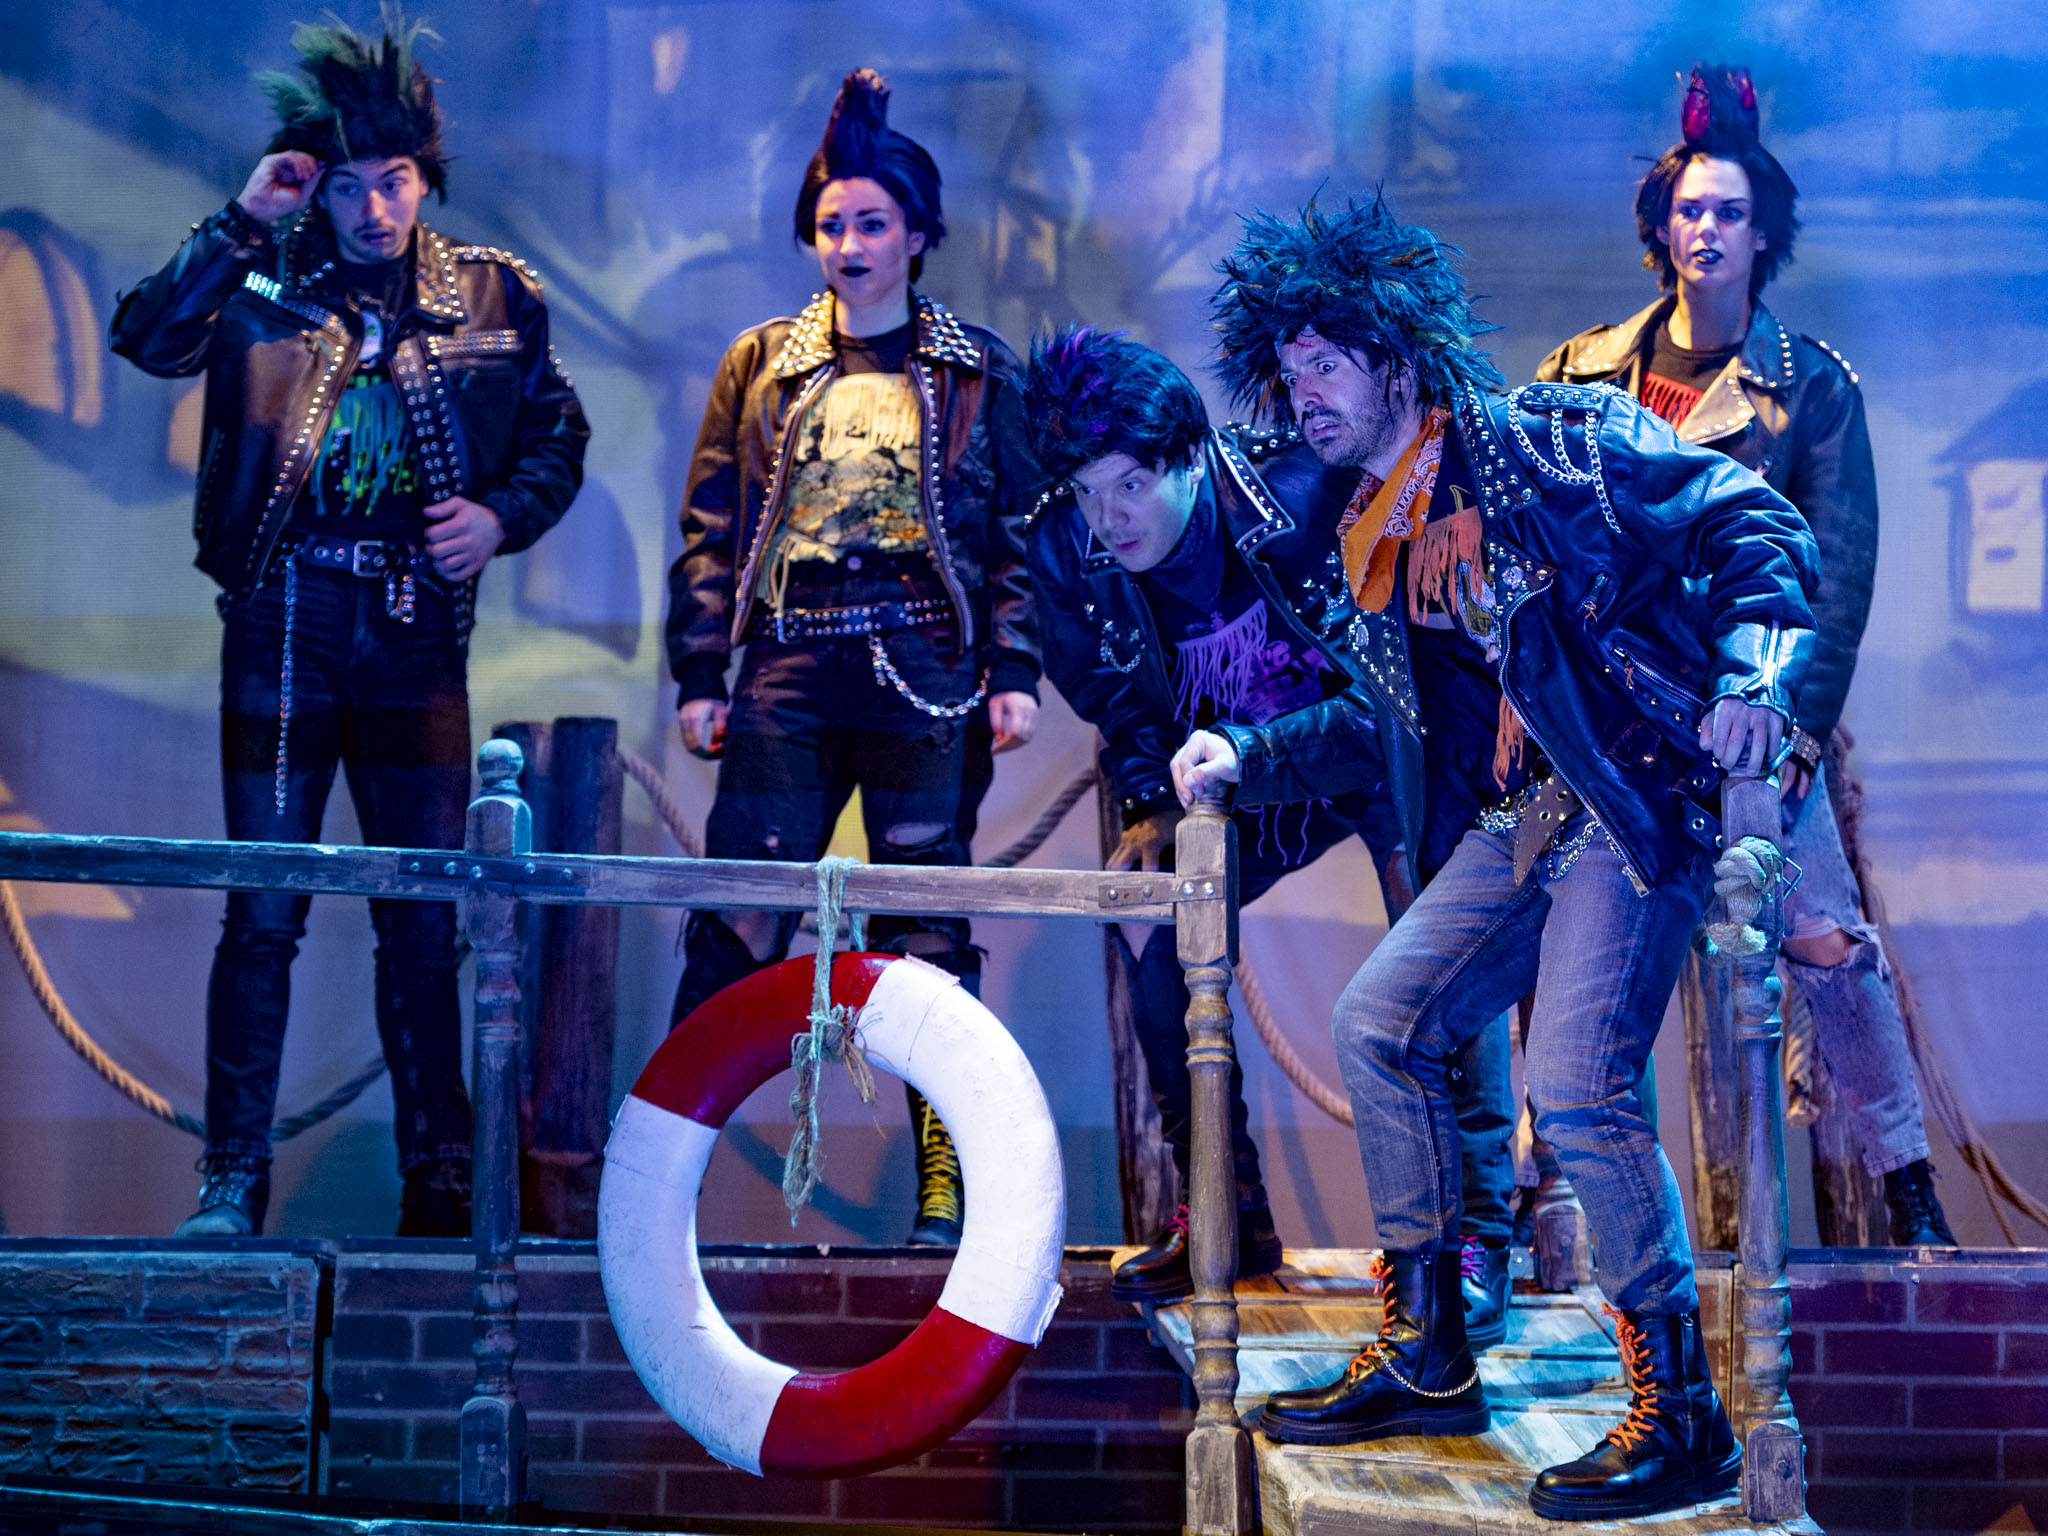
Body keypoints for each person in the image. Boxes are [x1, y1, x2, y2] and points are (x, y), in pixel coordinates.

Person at [1172, 197, 1819, 1520]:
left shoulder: (1549, 442)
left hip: (1633, 794)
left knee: (1574, 1085)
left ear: (1396, 361)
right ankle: (1427, 1352)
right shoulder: (1371, 532)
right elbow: (1379, 726)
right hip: (1526, 818)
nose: (1305, 396)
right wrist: (1246, 749)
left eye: (1326, 366)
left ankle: (1682, 1413)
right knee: (1382, 1024)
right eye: (1290, 373)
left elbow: (1753, 527)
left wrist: (1754, 677)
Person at [109, 13, 588, 1237]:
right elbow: (149, 338)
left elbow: (558, 434)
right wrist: (245, 216)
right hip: (287, 612)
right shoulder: (264, 276)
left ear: (425, 177)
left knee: (421, 912)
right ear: (312, 183)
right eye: (349, 185)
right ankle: (232, 1180)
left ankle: (440, 1177)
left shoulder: (492, 290)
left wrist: (499, 518)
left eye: (395, 181)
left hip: (415, 623)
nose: (374, 210)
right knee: (264, 905)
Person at [1020, 327, 1515, 1341]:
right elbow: (1118, 700)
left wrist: (1248, 749)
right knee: (1154, 931)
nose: (1106, 519)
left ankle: (1475, 1238)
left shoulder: (1308, 491)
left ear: (1189, 458)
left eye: (1128, 486)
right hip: (1234, 777)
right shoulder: (1063, 548)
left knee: (1439, 951)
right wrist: (1149, 800)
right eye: (1085, 492)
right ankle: (1225, 1212)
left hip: (1378, 748)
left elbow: (1391, 696)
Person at [1537, 63, 1954, 1246]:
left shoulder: (1810, 390)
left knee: (1822, 944)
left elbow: (1838, 578)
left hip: (1748, 717)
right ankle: (1543, 1202)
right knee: (1563, 940)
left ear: (1761, 229)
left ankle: (1904, 1181)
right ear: (1658, 226)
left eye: (1727, 210)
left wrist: (1796, 733)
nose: (1705, 230)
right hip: (1610, 723)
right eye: (1688, 209)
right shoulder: (1583, 373)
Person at [662, 70, 1041, 1245]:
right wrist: (698, 673)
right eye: (830, 224)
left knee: (922, 928)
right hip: (788, 662)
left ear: (917, 235)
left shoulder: (976, 368)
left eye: (872, 222)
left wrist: (1016, 668)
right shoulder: (760, 363)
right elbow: (711, 526)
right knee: (740, 916)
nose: (850, 245)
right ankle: (658, 1171)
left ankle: (944, 1189)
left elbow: (1014, 533)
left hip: (924, 663)